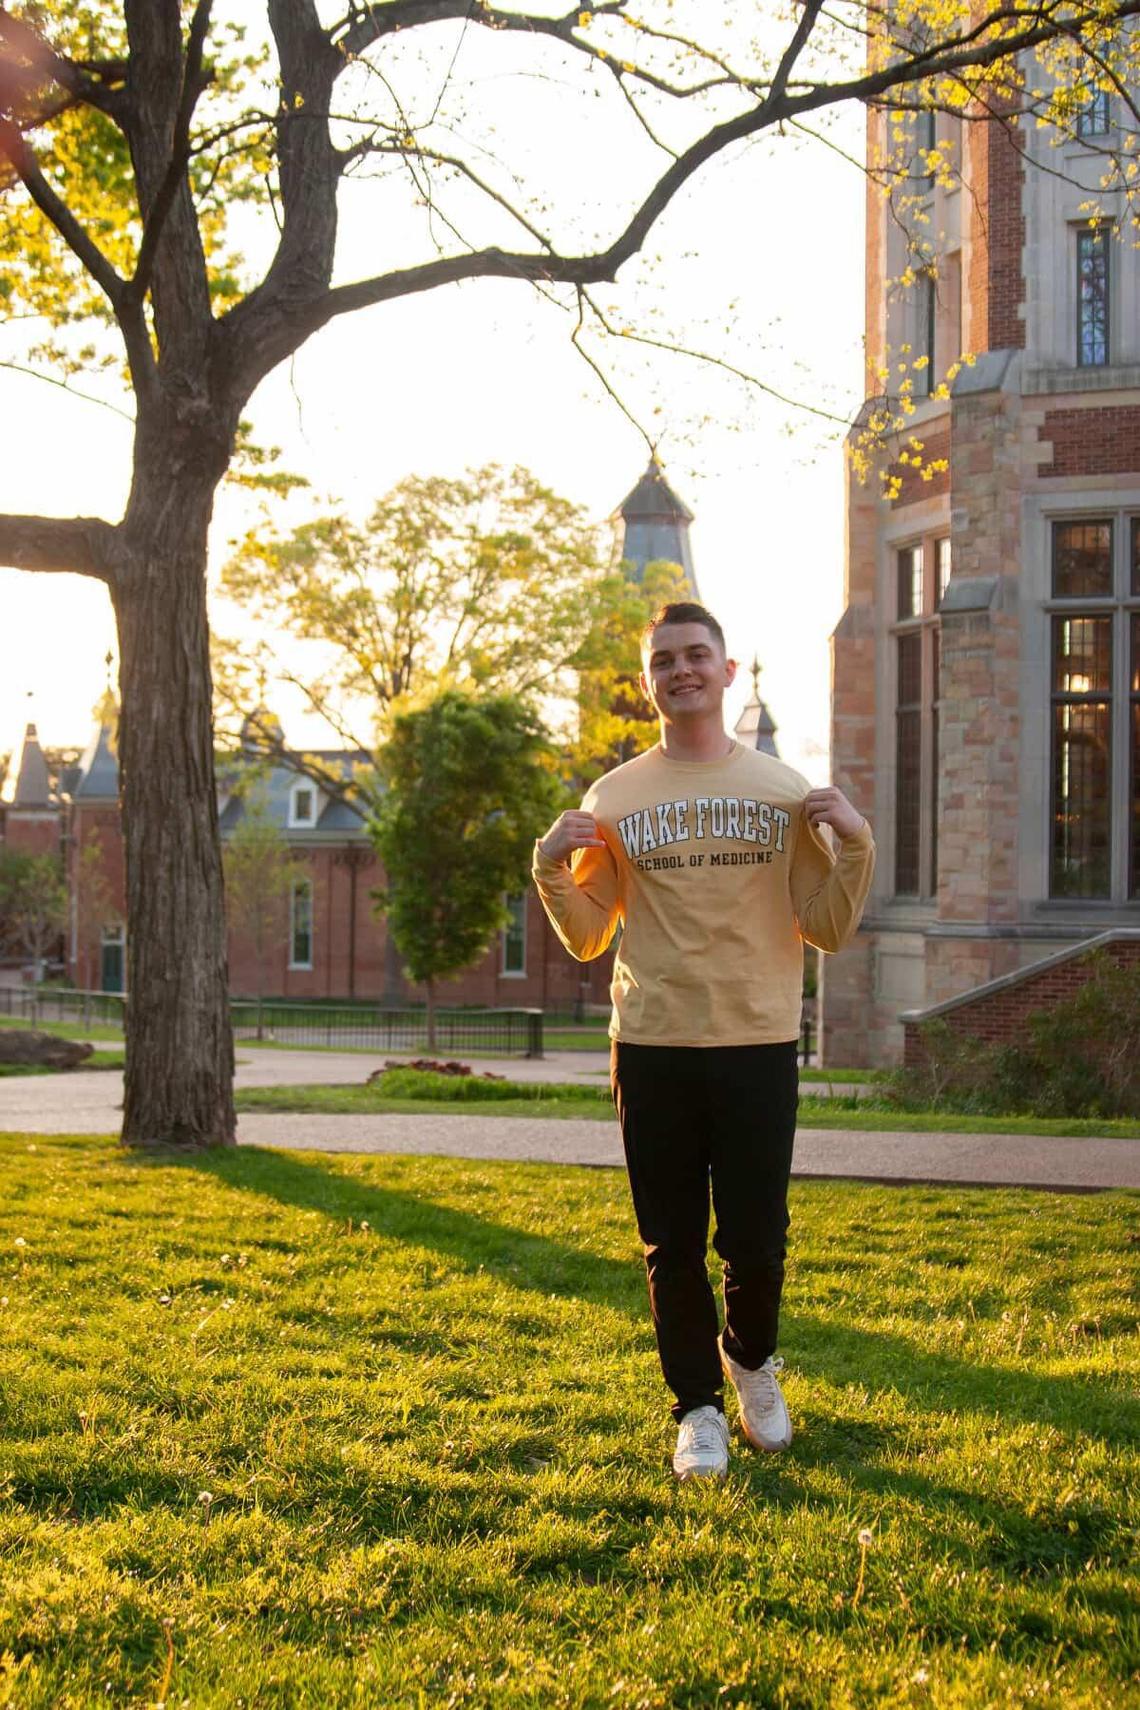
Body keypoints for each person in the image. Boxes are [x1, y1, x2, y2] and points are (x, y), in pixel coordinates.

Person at [532, 601, 874, 1481]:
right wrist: (546, 868)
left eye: (695, 655)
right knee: (670, 1243)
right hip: (651, 1045)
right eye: (663, 661)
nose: (680, 670)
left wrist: (858, 847)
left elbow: (826, 929)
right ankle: (696, 1410)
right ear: (648, 683)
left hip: (757, 1041)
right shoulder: (614, 797)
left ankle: (751, 1362)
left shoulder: (783, 792)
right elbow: (586, 935)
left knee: (757, 1240)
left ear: (726, 671)